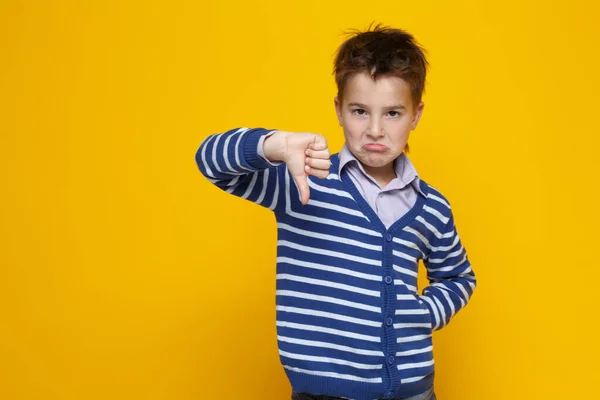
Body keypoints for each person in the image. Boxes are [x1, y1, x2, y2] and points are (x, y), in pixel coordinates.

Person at [195, 24, 476, 400]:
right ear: (338, 111)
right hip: (323, 393)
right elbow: (210, 161)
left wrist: (423, 314)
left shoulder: (432, 207)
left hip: (412, 390)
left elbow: (459, 277)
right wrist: (274, 145)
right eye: (360, 111)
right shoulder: (304, 180)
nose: (375, 129)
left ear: (416, 115)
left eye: (393, 113)